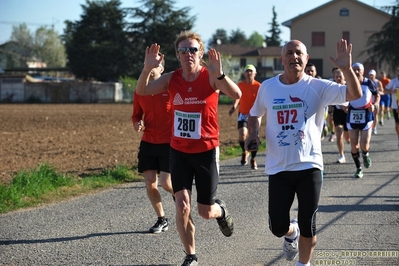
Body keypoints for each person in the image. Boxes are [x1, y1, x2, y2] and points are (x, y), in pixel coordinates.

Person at [245, 39, 361, 266]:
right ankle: (291, 233)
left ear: (306, 59)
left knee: (310, 223)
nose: (294, 57)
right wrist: (253, 133)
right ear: (282, 59)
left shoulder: (318, 86)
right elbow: (254, 113)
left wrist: (346, 69)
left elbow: (354, 95)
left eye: (299, 53)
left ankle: (303, 263)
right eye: (289, 53)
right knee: (277, 226)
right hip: (279, 167)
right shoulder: (268, 87)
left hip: (310, 165)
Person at [135, 30, 241, 266]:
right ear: (177, 55)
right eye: (183, 50)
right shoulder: (172, 79)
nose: (188, 54)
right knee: (182, 204)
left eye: (193, 49)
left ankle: (220, 211)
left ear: (200, 53)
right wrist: (147, 68)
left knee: (205, 211)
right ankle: (191, 255)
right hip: (179, 151)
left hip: (206, 151)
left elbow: (237, 93)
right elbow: (142, 91)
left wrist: (221, 75)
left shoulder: (210, 76)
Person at [132, 55, 174, 233]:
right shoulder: (140, 90)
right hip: (149, 141)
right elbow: (136, 114)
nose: (150, 68)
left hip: (169, 142)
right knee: (150, 182)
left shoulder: (170, 88)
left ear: (162, 69)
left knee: (165, 182)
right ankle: (162, 218)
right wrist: (136, 123)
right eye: (147, 65)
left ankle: (180, 196)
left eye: (155, 65)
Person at [347, 63, 380, 178]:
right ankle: (358, 168)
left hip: (366, 114)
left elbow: (377, 96)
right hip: (352, 114)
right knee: (354, 145)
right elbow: (342, 94)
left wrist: (374, 105)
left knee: (364, 145)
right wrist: (344, 105)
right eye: (354, 70)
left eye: (358, 70)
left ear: (363, 71)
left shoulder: (369, 83)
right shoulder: (349, 82)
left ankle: (365, 154)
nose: (356, 72)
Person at [228, 64, 261, 169]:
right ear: (244, 73)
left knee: (253, 137)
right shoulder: (240, 85)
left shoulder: (259, 86)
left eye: (251, 71)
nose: (249, 73)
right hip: (243, 113)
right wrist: (234, 106)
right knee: (242, 134)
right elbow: (237, 97)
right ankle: (244, 152)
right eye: (247, 71)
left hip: (255, 114)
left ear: (255, 74)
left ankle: (253, 159)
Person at [332, 68, 350, 163]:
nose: (338, 78)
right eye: (336, 76)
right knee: (339, 133)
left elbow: (356, 97)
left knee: (347, 136)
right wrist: (340, 105)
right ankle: (341, 155)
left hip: (348, 112)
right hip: (338, 112)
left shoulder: (349, 86)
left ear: (344, 77)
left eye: (340, 76)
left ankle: (349, 140)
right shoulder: (333, 87)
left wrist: (348, 107)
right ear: (334, 77)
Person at [385, 66, 399, 148]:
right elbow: (385, 90)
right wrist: (392, 91)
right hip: (395, 106)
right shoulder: (393, 81)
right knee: (397, 124)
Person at [368, 69, 383, 135]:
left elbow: (382, 91)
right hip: (369, 101)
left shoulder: (378, 82)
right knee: (369, 115)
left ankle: (375, 128)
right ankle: (369, 127)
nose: (371, 76)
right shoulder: (367, 82)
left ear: (375, 75)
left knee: (375, 114)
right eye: (370, 75)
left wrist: (376, 92)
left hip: (376, 100)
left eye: (372, 75)